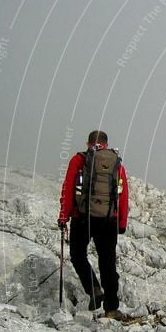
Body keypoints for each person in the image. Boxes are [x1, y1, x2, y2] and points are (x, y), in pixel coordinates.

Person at [58, 130, 129, 319]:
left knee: (78, 254)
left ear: (88, 143)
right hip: (108, 220)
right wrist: (121, 222)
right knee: (107, 263)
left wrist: (64, 217)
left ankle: (94, 289)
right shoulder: (117, 164)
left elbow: (69, 187)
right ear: (106, 143)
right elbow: (123, 196)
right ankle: (112, 308)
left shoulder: (79, 160)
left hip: (83, 218)